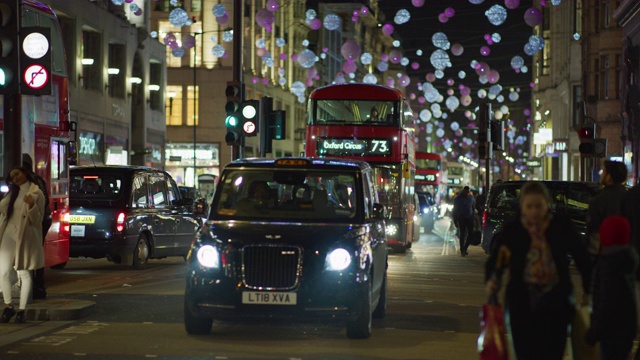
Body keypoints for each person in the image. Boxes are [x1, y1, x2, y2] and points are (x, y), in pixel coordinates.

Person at [485, 182, 591, 360]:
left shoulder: (560, 226)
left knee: (552, 353)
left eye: (539, 206)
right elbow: (497, 259)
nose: (534, 211)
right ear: (522, 207)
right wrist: (492, 279)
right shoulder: (513, 229)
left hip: (556, 303)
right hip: (522, 302)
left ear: (547, 205)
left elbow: (581, 256)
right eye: (529, 206)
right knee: (525, 353)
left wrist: (589, 287)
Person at [586, 215, 638, 360]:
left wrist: (595, 332)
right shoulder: (627, 259)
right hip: (626, 329)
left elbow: (606, 301)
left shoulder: (608, 264)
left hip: (611, 332)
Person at [0, 167, 46, 323]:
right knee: (3, 272)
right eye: (12, 176)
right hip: (8, 234)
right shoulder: (11, 194)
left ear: (25, 173)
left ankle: (22, 310)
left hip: (25, 236)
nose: (15, 178)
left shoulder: (36, 193)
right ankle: (8, 306)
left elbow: (38, 220)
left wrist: (32, 205)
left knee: (25, 273)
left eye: (17, 174)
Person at [587, 160, 628, 263]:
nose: (601, 174)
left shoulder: (599, 200)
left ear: (609, 177)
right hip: (626, 254)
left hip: (605, 255)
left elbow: (593, 232)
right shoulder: (630, 197)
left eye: (603, 172)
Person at [22, 154, 50, 300]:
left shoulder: (32, 181)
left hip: (39, 220)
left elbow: (42, 203)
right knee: (35, 253)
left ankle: (37, 288)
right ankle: (38, 288)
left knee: (34, 253)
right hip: (43, 219)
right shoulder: (36, 179)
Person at [452, 186, 474, 256]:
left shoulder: (471, 198)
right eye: (466, 192)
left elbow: (473, 208)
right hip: (461, 218)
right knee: (462, 234)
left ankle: (465, 248)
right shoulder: (458, 199)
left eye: (468, 192)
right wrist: (455, 221)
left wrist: (473, 217)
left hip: (469, 218)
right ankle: (462, 250)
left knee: (470, 234)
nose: (467, 193)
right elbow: (455, 210)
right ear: (463, 191)